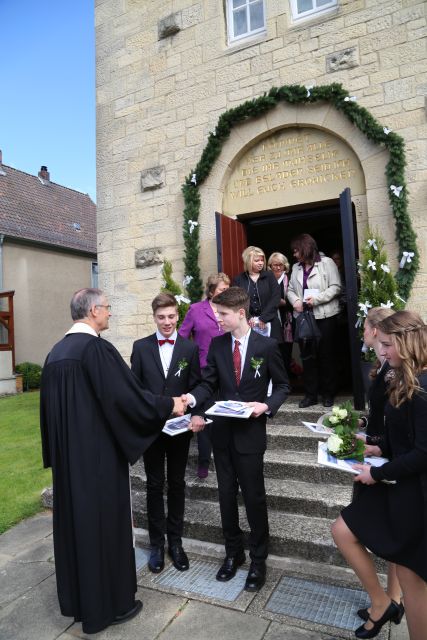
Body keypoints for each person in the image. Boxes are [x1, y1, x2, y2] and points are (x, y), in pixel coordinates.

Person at [40, 288, 187, 635]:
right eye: (106, 308)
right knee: (104, 531)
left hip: (69, 462)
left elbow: (48, 415)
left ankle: (80, 602)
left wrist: (55, 456)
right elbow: (128, 398)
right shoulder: (95, 349)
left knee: (78, 531)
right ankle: (112, 605)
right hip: (97, 463)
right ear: (93, 310)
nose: (109, 314)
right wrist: (170, 406)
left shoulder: (55, 352)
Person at [185, 287, 289, 592]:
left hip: (251, 436)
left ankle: (259, 559)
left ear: (240, 313)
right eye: (218, 313)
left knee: (254, 498)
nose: (218, 320)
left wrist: (266, 406)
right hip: (222, 434)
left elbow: (282, 386)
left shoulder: (267, 346)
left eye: (223, 314)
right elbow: (209, 384)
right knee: (226, 496)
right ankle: (234, 553)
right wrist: (192, 400)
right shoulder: (217, 346)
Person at [332, 310, 427, 640]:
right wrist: (375, 445)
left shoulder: (423, 387)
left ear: (406, 341)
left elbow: (422, 452)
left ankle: (389, 606)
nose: (382, 352)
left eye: (388, 345)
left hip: (414, 494)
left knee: (414, 584)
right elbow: (404, 436)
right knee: (403, 568)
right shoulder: (408, 378)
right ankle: (386, 604)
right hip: (400, 486)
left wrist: (379, 472)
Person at [131, 292, 204, 574]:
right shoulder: (140, 347)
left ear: (178, 316)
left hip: (179, 430)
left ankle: (176, 543)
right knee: (153, 484)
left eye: (171, 316)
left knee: (176, 484)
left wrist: (190, 404)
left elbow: (198, 384)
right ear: (154, 318)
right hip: (151, 429)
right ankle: (156, 546)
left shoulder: (189, 349)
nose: (167, 322)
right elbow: (135, 390)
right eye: (161, 317)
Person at [354, 307, 402, 622]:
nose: (363, 333)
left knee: (350, 530)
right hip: (379, 449)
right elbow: (380, 412)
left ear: (374, 329)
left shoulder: (394, 366)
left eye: (364, 327)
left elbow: (393, 418)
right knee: (395, 531)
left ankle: (385, 602)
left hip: (385, 460)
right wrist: (360, 425)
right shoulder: (383, 362)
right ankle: (394, 600)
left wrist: (377, 444)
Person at [179, 272, 230, 478]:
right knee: (204, 417)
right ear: (211, 292)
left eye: (227, 289)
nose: (226, 293)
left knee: (225, 416)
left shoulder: (231, 310)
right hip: (203, 371)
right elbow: (182, 337)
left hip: (228, 370)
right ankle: (203, 461)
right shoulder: (195, 310)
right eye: (222, 290)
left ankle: (225, 458)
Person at [287, 233, 341, 408]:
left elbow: (335, 287)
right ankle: (310, 395)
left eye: (296, 251)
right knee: (307, 357)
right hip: (303, 318)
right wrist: (295, 301)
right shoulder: (295, 268)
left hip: (325, 317)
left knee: (326, 356)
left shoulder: (327, 263)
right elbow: (289, 289)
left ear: (306, 249)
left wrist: (316, 300)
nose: (294, 255)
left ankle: (328, 394)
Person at [233, 246, 282, 343]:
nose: (261, 263)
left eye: (262, 260)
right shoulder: (238, 280)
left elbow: (276, 297)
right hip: (248, 324)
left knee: (272, 354)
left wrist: (263, 318)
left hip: (270, 322)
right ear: (248, 261)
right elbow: (236, 302)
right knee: (254, 355)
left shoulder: (269, 276)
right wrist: (248, 317)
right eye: (257, 260)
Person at [267, 251, 293, 379]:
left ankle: (286, 382)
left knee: (286, 353)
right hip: (270, 321)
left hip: (286, 321)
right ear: (270, 266)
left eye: (280, 265)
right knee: (273, 352)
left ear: (285, 266)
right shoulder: (266, 279)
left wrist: (284, 302)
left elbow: (295, 299)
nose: (277, 268)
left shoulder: (290, 278)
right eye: (274, 265)